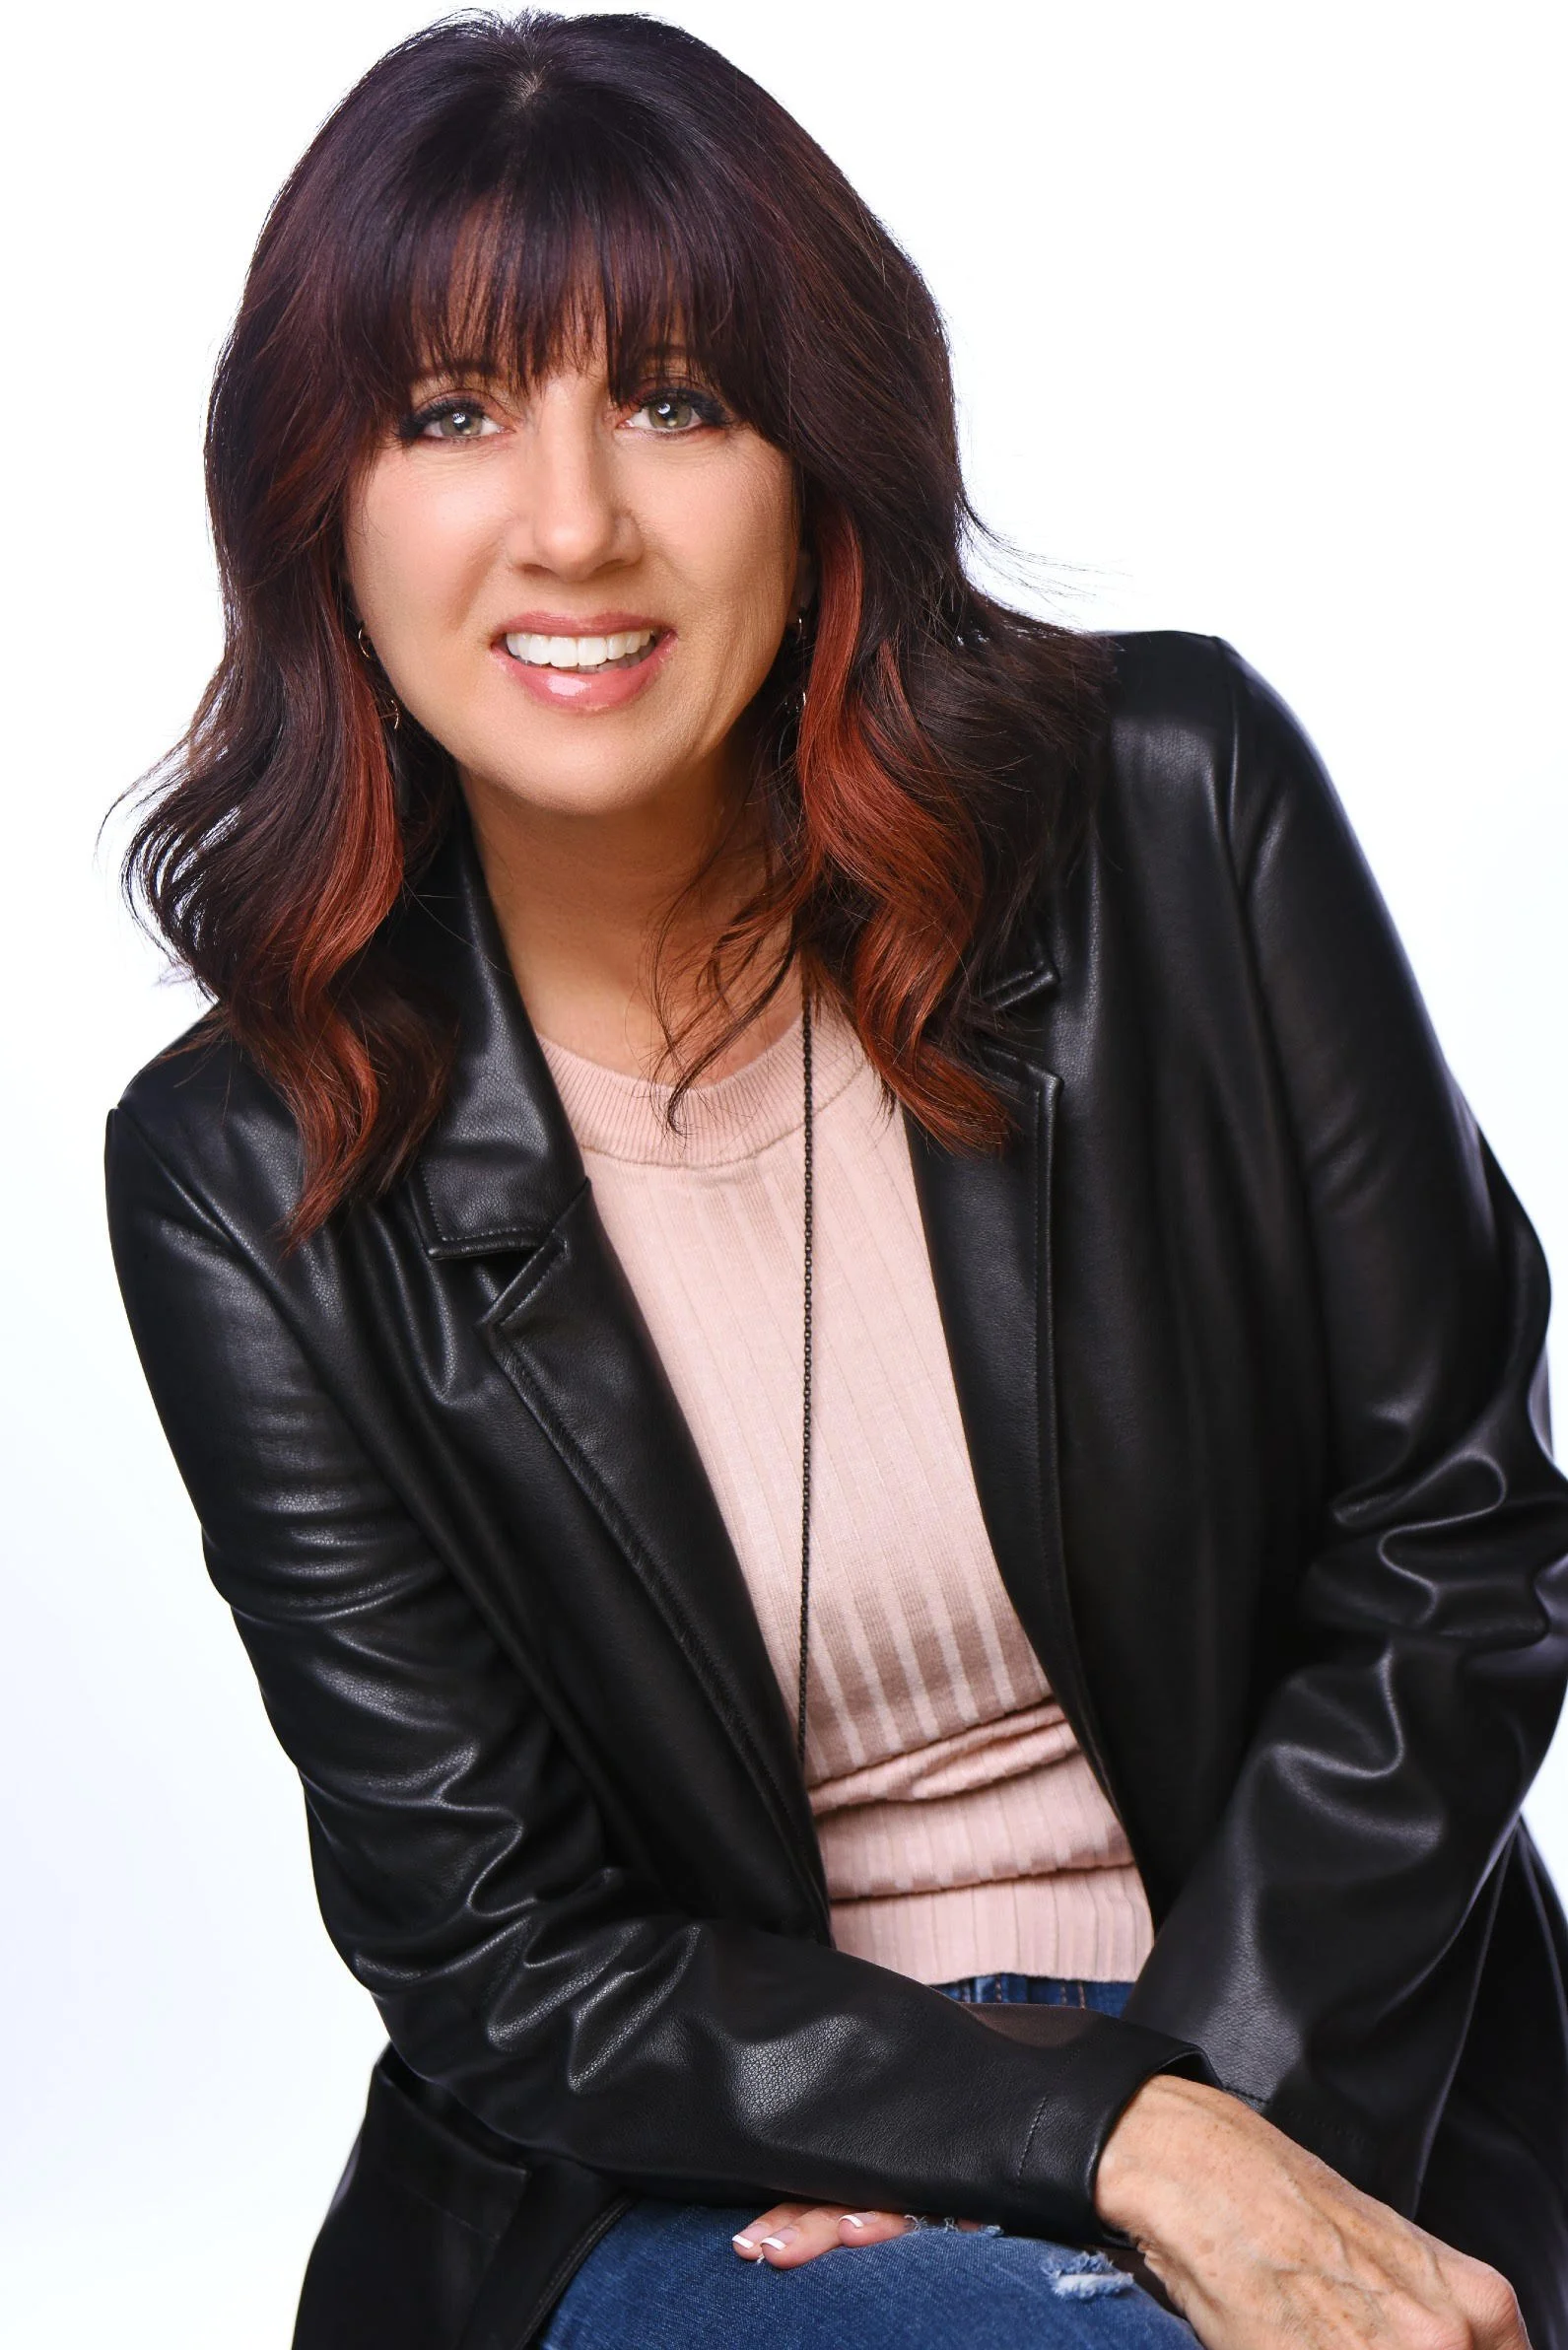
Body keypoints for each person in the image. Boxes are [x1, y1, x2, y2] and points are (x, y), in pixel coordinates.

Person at [105, 12, 1568, 2349]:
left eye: (678, 400)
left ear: (821, 463)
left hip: (1325, 2067)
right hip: (722, 2171)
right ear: (317, 506)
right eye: (451, 413)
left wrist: (1195, 2119)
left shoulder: (1176, 811)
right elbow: (504, 1950)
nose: (572, 523)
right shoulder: (244, 1169)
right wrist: (1086, 2141)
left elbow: (1459, 1542)